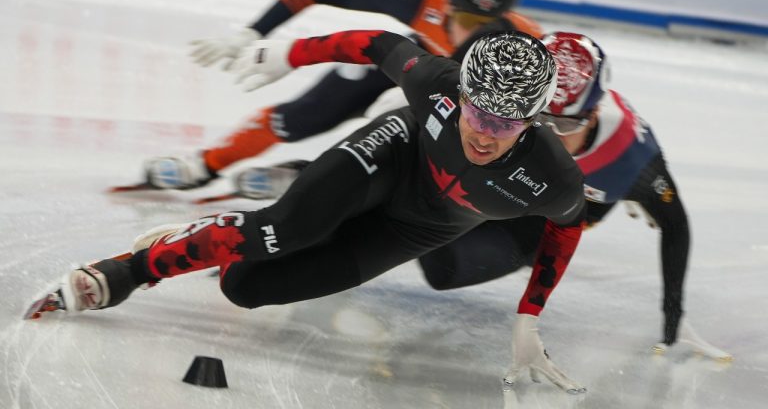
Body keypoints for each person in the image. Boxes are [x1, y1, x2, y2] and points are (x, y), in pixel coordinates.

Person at [52, 30, 588, 393]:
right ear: (462, 93)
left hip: (417, 230)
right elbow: (380, 44)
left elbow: (567, 230)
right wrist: (291, 53)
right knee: (283, 229)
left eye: (505, 124)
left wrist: (528, 316)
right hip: (396, 152)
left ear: (536, 121)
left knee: (246, 287)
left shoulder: (555, 179)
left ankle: (207, 239)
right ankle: (127, 270)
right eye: (476, 112)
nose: (483, 134)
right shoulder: (438, 85)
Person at [233, 32, 732, 360]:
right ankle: (309, 194)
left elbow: (677, 223)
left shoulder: (631, 156)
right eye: (536, 118)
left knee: (444, 268)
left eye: (560, 125)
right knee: (402, 163)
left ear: (595, 114)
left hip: (522, 219)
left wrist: (674, 316)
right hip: (462, 175)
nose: (544, 136)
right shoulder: (516, 94)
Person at [136, 0, 543, 190]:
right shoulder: (426, 0)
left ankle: (317, 179)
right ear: (447, 2)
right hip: (408, 66)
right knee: (301, 115)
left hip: (453, 104)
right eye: (465, 19)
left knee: (393, 140)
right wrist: (253, 32)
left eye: (484, 26)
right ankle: (207, 163)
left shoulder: (525, 46)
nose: (468, 33)